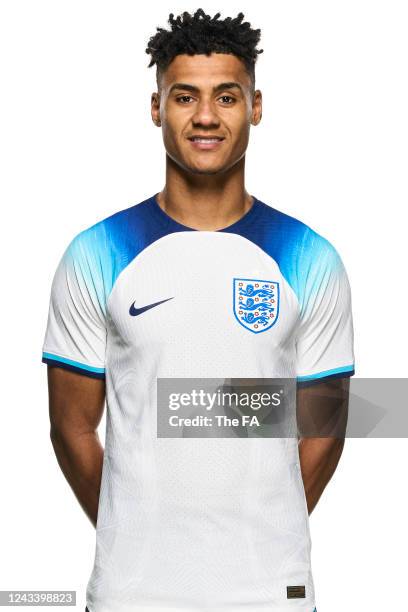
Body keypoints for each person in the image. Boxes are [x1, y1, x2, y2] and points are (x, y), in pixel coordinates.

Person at [42, 8, 355, 612]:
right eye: (185, 96)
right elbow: (72, 427)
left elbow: (326, 426)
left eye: (226, 97)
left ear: (255, 107)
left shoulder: (311, 258)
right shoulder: (95, 254)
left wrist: (255, 535)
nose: (206, 116)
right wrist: (133, 533)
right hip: (132, 595)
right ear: (156, 107)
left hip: (272, 594)